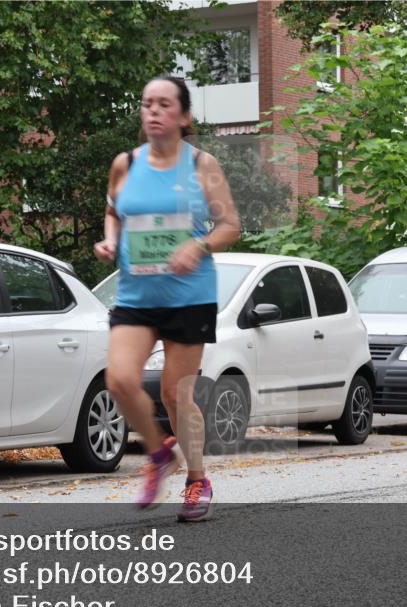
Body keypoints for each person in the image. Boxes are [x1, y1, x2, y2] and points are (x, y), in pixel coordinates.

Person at [95, 76, 241, 521]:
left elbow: (230, 226)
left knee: (178, 395)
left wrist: (196, 247)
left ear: (183, 116)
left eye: (163, 104)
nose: (153, 111)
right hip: (137, 294)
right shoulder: (124, 164)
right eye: (146, 104)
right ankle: (160, 456)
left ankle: (197, 480)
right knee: (118, 380)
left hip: (188, 295)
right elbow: (112, 211)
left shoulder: (202, 165)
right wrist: (109, 239)